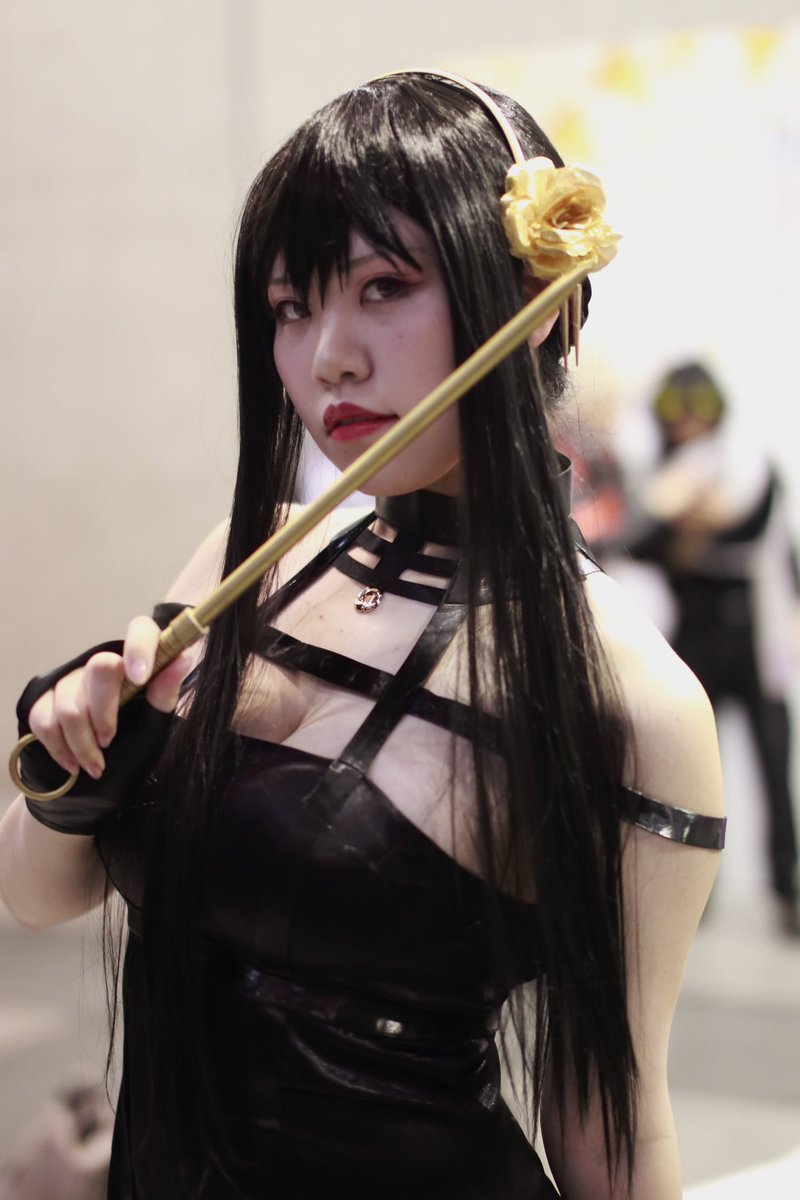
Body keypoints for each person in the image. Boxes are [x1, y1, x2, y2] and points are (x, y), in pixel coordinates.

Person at [0, 73, 725, 1199]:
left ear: (539, 302)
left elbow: (609, 1121)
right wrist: (83, 761)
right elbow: (36, 895)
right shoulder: (250, 561)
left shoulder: (628, 696)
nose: (327, 355)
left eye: (384, 287)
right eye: (291, 307)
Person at [626, 360, 800, 936]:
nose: (687, 421)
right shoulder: (663, 477)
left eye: (699, 408)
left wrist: (697, 528)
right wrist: (678, 526)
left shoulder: (749, 468)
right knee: (694, 770)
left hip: (754, 638)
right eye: (675, 410)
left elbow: (761, 534)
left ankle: (786, 886)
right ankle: (695, 890)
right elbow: (639, 540)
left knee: (774, 764)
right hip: (696, 638)